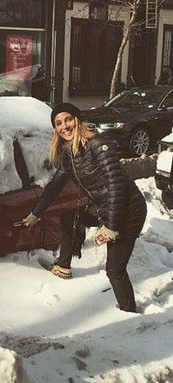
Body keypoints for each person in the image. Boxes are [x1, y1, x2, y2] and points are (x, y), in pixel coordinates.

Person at [22, 102, 147, 313]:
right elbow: (55, 187)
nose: (65, 126)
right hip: (105, 207)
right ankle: (63, 266)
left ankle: (130, 315)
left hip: (128, 211)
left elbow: (117, 185)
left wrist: (111, 227)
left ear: (77, 120)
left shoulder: (96, 144)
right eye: (59, 123)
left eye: (68, 119)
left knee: (115, 270)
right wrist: (35, 214)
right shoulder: (68, 154)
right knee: (69, 218)